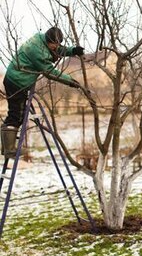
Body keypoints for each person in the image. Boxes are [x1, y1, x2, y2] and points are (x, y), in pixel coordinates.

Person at [1, 27, 84, 158]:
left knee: (17, 114)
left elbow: (56, 50)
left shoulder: (42, 40)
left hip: (17, 80)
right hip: (17, 82)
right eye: (55, 44)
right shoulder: (37, 51)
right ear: (49, 40)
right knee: (16, 115)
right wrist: (70, 81)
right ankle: (9, 149)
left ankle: (6, 148)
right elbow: (50, 72)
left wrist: (72, 50)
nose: (56, 47)